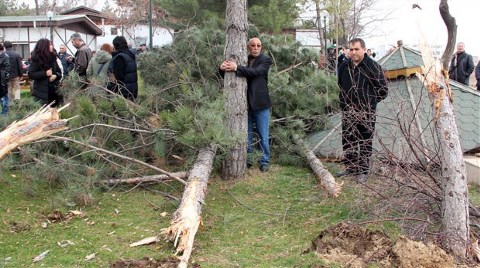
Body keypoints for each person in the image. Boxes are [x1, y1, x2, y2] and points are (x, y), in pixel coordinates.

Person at [336, 38, 388, 183]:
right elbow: (340, 85)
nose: (353, 52)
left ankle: (363, 171)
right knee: (348, 140)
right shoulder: (344, 66)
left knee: (365, 141)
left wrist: (369, 103)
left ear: (364, 50)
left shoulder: (373, 67)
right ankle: (351, 167)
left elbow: (383, 90)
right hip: (348, 111)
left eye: (356, 49)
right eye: (351, 49)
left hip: (366, 112)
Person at [219, 37, 273, 172]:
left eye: (258, 45)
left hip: (261, 104)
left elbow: (255, 72)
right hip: (245, 105)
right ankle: (248, 160)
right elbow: (230, 75)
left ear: (261, 47)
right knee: (246, 134)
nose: (256, 47)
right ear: (248, 47)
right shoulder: (243, 59)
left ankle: (264, 161)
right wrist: (221, 68)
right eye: (253, 45)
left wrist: (237, 67)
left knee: (263, 135)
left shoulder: (265, 60)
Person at [28, 38, 62, 106]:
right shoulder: (36, 59)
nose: (52, 46)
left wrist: (56, 76)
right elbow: (31, 74)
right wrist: (45, 73)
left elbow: (59, 72)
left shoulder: (53, 57)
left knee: (54, 113)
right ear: (44, 47)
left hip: (54, 91)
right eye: (49, 45)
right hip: (41, 92)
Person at [107, 36, 138, 100]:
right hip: (131, 90)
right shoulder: (130, 55)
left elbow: (119, 77)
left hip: (122, 92)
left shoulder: (119, 57)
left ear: (115, 45)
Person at [0, 43, 10, 114]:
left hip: (2, 79)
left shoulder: (5, 56)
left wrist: (4, 76)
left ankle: (5, 112)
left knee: (4, 96)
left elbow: (7, 68)